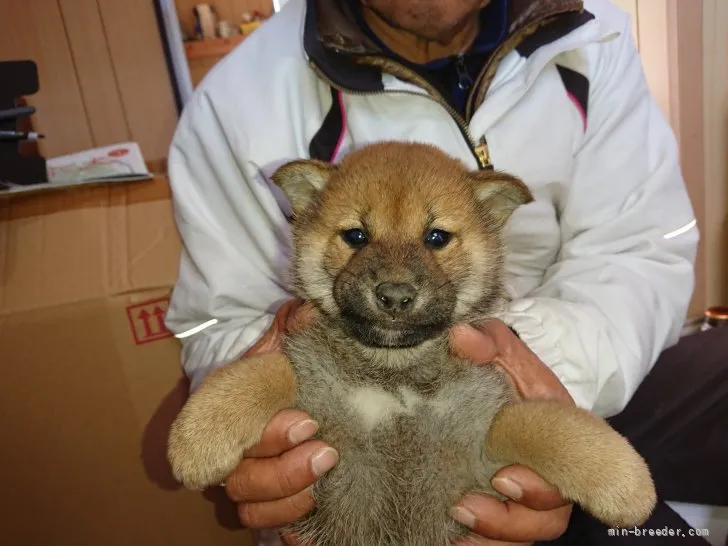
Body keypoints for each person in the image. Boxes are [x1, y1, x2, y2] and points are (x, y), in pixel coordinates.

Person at [164, 0, 727, 544]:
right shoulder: (237, 99)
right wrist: (253, 396)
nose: (395, 279)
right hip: (340, 451)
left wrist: (524, 376)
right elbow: (214, 324)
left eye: (436, 240)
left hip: (550, 392)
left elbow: (640, 247)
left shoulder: (594, 37)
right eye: (356, 238)